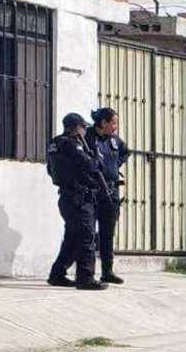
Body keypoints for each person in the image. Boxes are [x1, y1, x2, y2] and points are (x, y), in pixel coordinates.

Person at [47, 113, 106, 290]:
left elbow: (51, 170)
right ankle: (85, 278)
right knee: (87, 237)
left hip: (67, 197)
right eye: (83, 127)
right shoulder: (72, 144)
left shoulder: (55, 143)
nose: (84, 130)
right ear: (76, 127)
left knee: (72, 238)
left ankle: (57, 274)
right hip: (78, 198)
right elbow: (90, 165)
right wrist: (95, 158)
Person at [85, 107, 129, 284]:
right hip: (93, 191)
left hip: (111, 192)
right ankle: (87, 273)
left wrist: (113, 167)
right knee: (87, 232)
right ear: (103, 123)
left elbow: (125, 152)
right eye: (113, 122)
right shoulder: (88, 137)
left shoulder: (114, 140)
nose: (115, 127)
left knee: (107, 233)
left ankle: (107, 271)